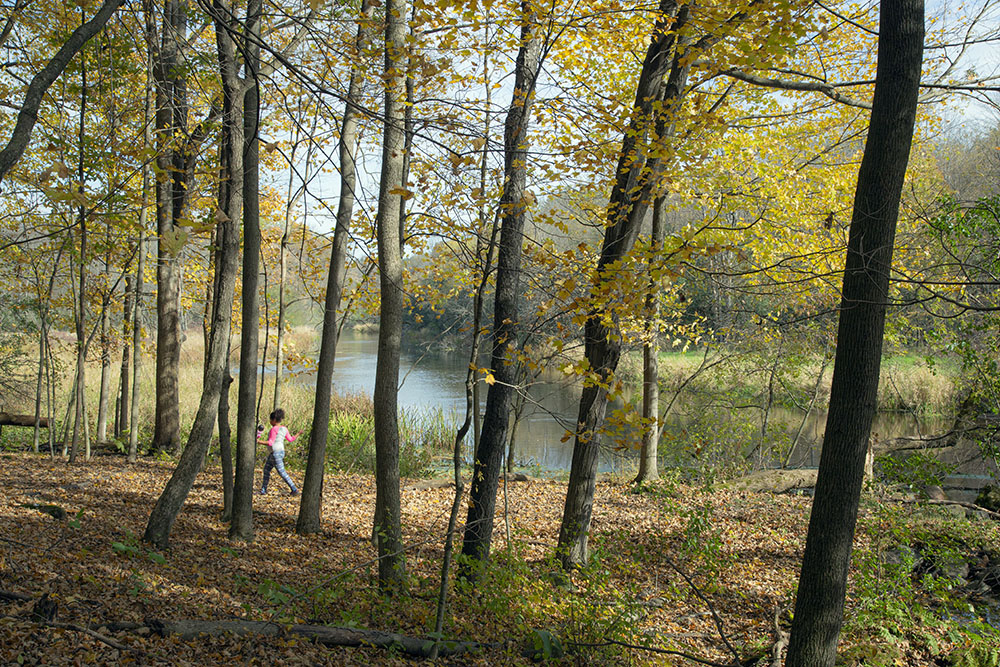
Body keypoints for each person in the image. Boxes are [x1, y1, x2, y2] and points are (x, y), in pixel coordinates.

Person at [258, 408, 300, 496]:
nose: (270, 421)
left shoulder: (274, 429)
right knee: (266, 470)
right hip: (279, 452)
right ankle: (263, 490)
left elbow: (270, 442)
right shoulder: (284, 429)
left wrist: (258, 441)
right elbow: (291, 439)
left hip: (275, 453)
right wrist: (298, 434)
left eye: (270, 419)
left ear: (274, 420)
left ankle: (294, 489)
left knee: (282, 472)